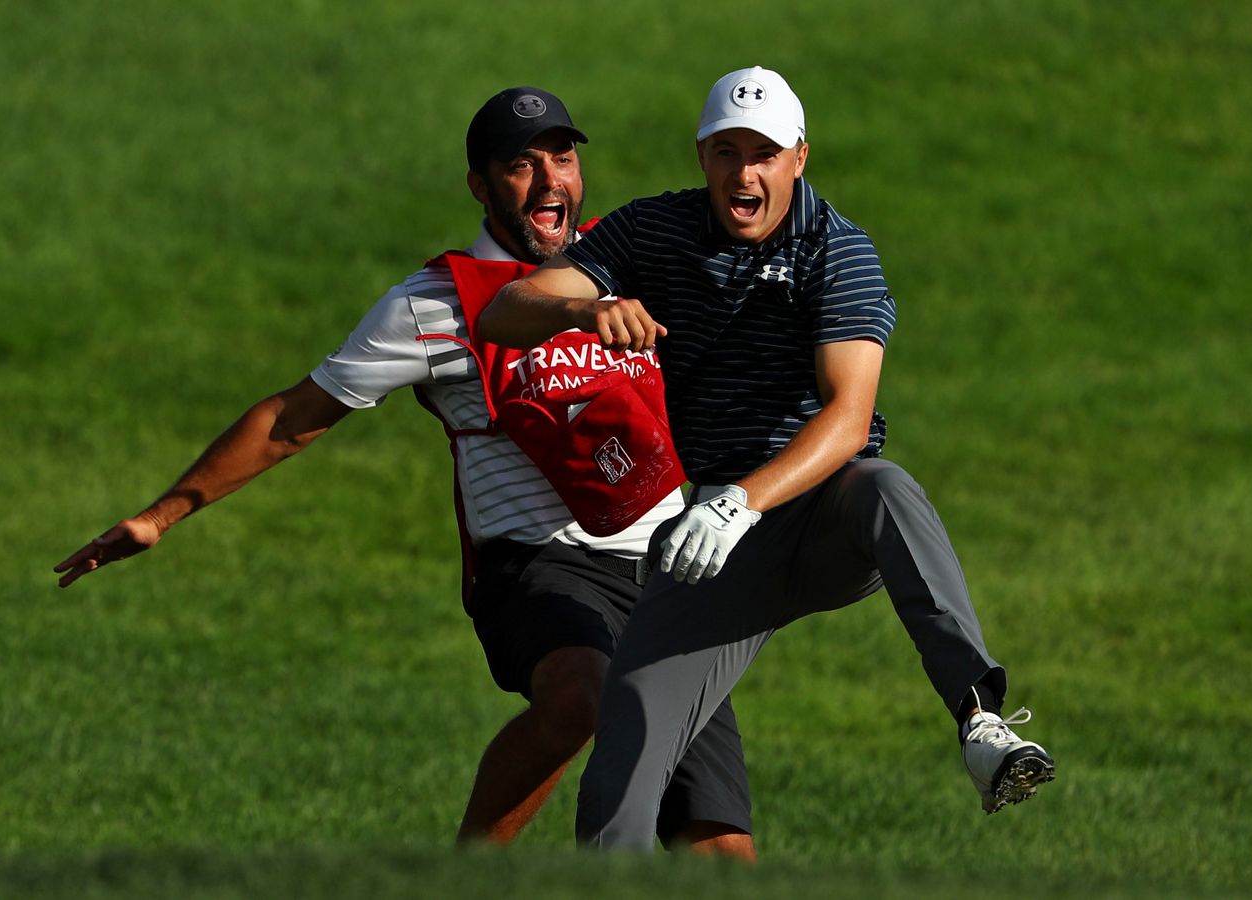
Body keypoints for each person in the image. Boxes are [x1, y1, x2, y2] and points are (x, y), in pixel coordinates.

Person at [53, 86, 757, 858]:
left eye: (562, 157)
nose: (550, 180)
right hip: (537, 568)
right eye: (520, 165)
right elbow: (291, 421)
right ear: (481, 188)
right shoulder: (434, 305)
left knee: (721, 851)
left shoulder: (632, 257)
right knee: (580, 696)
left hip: (669, 570)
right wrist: (161, 515)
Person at [481, 67, 1057, 850]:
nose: (743, 173)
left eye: (763, 153)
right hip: (715, 546)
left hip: (818, 516)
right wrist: (589, 306)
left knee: (886, 486)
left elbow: (848, 419)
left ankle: (979, 719)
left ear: (799, 158)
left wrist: (739, 501)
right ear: (702, 158)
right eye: (726, 152)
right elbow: (502, 313)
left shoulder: (839, 250)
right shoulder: (657, 231)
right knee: (620, 776)